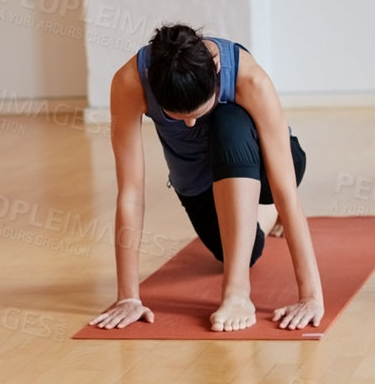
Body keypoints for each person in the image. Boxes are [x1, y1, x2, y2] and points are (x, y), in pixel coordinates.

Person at [89, 24, 324, 333]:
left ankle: (237, 292)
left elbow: (286, 193)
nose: (190, 124)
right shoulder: (129, 82)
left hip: (267, 167)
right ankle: (261, 217)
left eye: (199, 112)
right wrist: (128, 297)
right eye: (178, 117)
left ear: (215, 75)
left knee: (228, 121)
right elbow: (131, 192)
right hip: (200, 180)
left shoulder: (249, 79)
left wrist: (310, 296)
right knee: (242, 252)